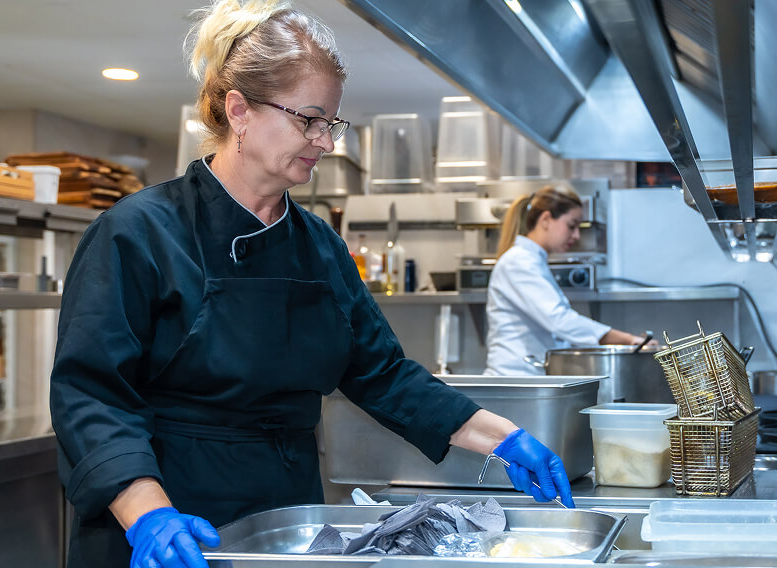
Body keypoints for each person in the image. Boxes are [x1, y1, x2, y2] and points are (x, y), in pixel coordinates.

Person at [49, 2, 573, 567]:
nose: (326, 142)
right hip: (170, 515)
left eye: (332, 124)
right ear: (239, 110)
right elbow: (91, 394)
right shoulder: (137, 231)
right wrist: (148, 514)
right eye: (309, 119)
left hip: (288, 517)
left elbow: (382, 372)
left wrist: (503, 437)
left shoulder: (319, 245)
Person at [484, 186, 657, 376]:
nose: (576, 236)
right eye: (572, 225)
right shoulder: (518, 262)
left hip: (528, 377)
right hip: (515, 379)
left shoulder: (532, 261)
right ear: (546, 220)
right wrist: (626, 339)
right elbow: (560, 320)